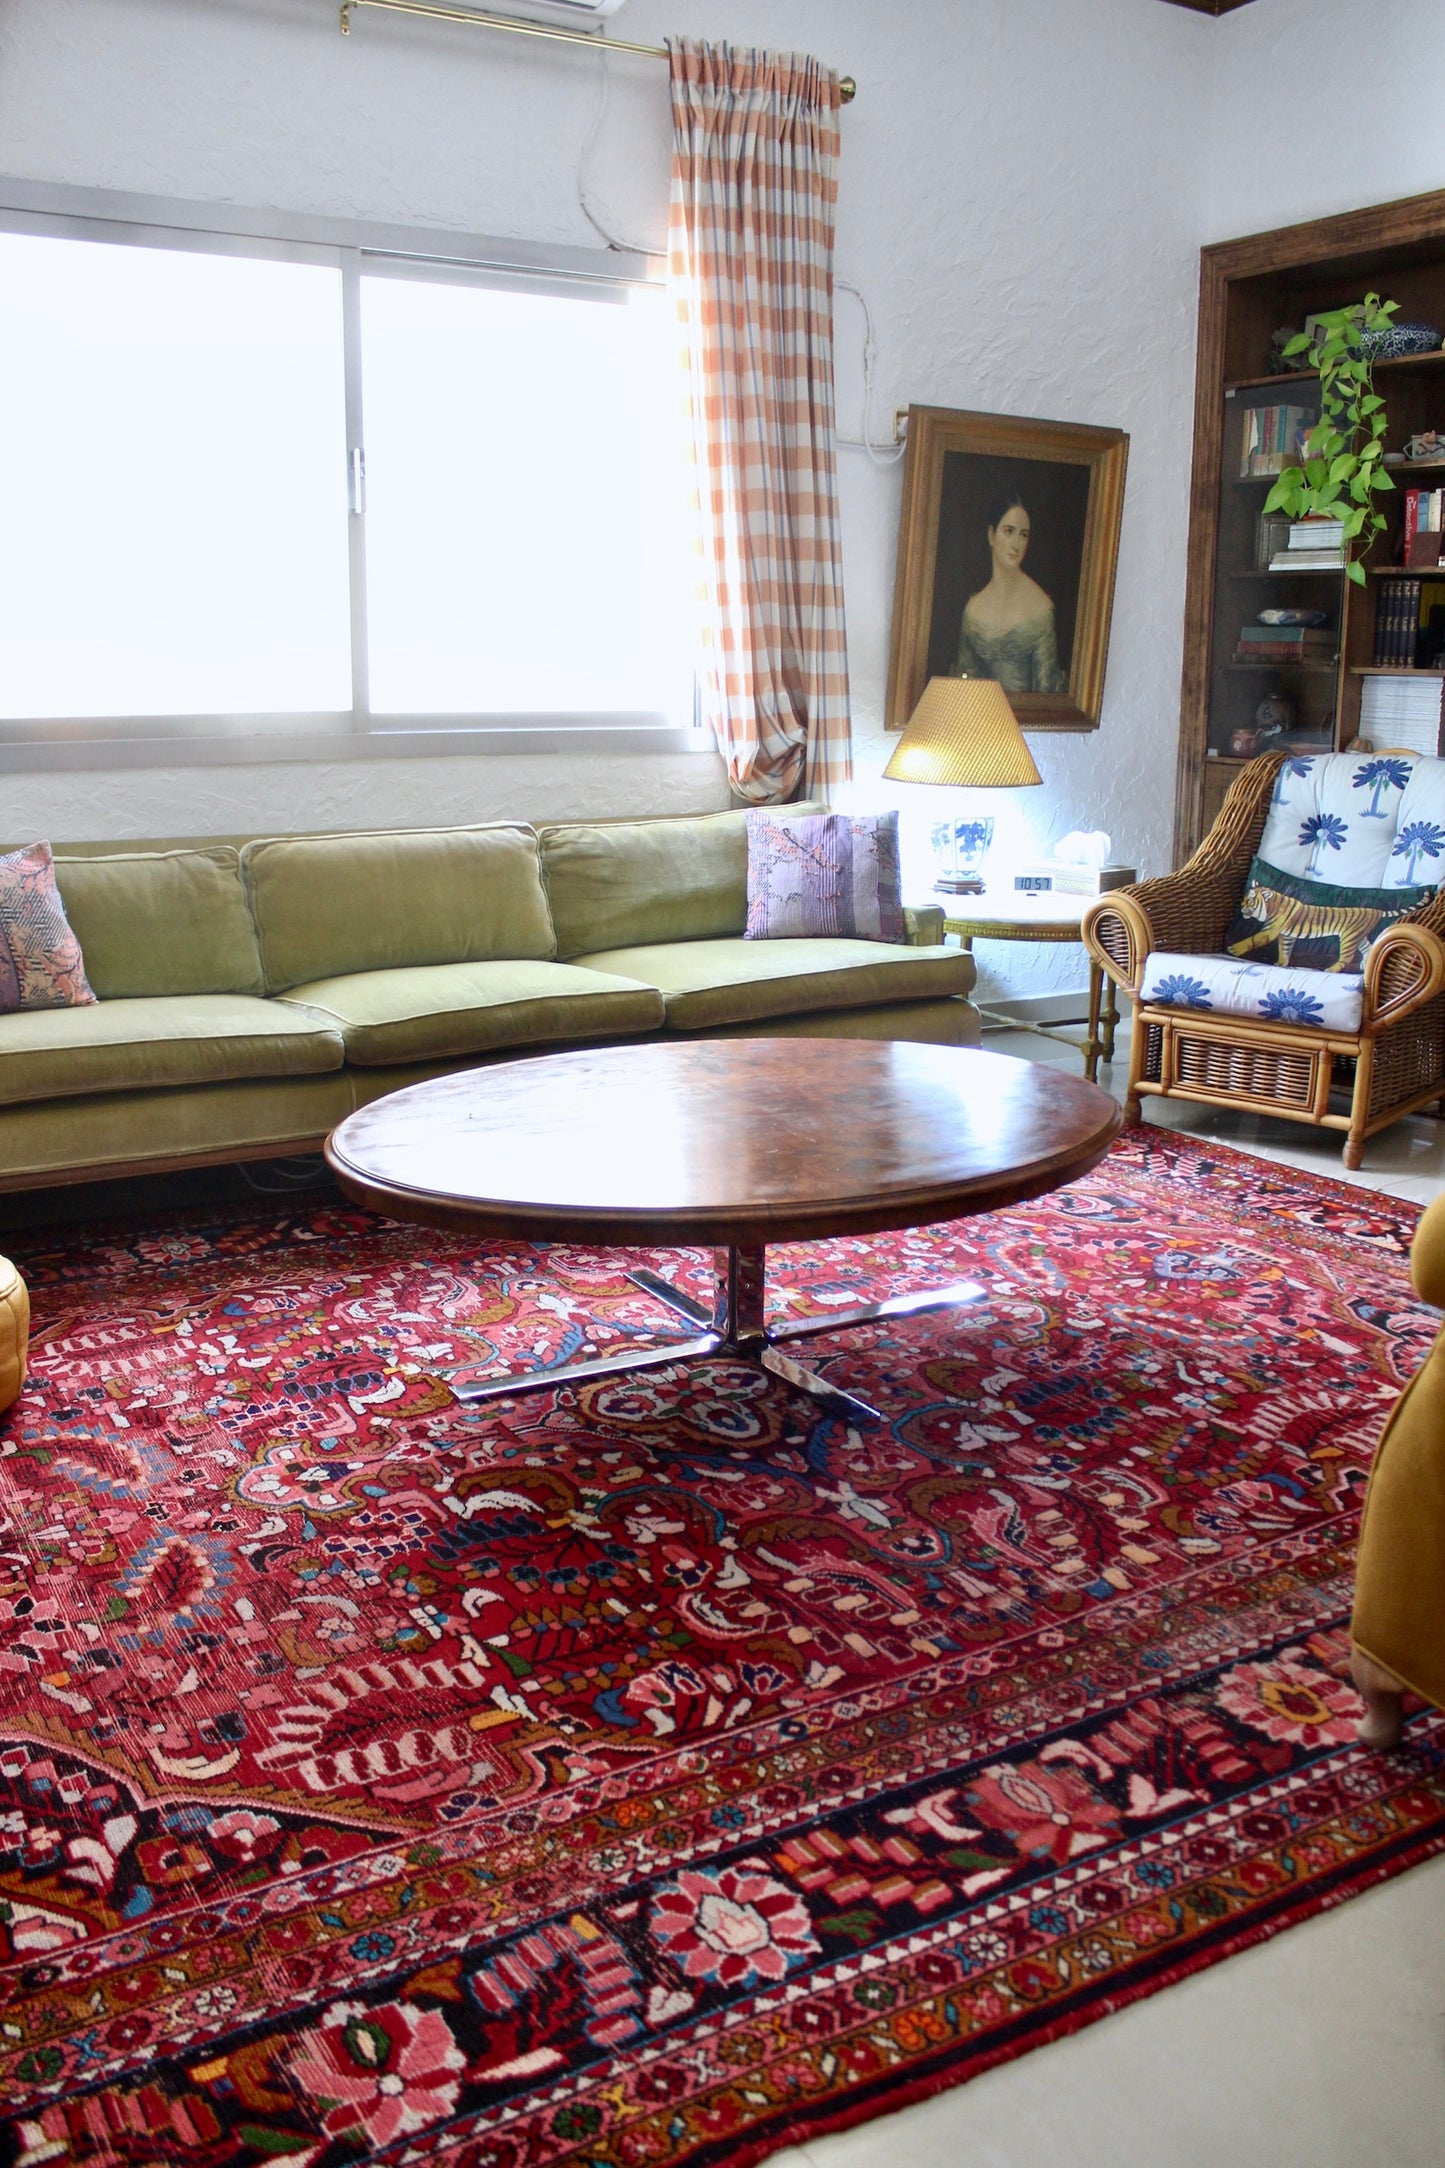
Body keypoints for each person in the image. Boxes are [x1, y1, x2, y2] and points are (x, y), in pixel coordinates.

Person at [954, 488, 1068, 694]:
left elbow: (1046, 693)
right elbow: (964, 688)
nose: (1016, 544)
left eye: (1023, 535)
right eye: (1009, 531)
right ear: (991, 535)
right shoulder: (973, 609)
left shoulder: (1040, 608)